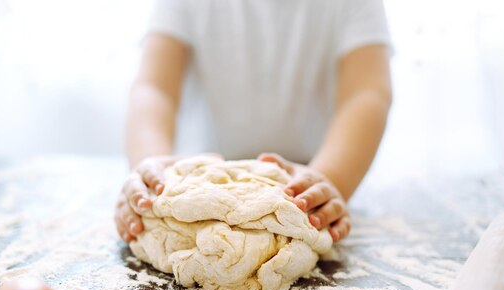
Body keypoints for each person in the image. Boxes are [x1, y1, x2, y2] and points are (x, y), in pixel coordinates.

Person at [115, 0, 393, 245]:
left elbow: (366, 93)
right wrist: (151, 172)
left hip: (305, 178)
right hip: (200, 185)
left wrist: (330, 180)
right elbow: (154, 88)